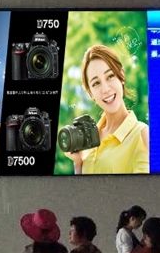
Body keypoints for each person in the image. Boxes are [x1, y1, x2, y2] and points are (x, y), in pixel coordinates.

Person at [64, 44, 149, 174]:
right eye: (96, 83)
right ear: (90, 93)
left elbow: (145, 186)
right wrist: (78, 164)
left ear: (121, 75)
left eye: (110, 76)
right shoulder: (89, 140)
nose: (105, 89)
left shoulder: (142, 135)